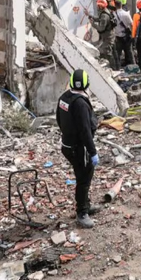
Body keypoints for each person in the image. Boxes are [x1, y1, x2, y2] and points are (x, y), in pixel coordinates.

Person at [56, 69, 99, 229]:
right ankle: (82, 212)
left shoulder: (64, 98)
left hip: (67, 145)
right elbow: (85, 131)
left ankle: (85, 204)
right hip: (79, 148)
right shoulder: (80, 103)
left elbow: (58, 119)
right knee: (84, 178)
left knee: (81, 175)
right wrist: (93, 152)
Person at [89, 0, 117, 69]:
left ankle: (114, 68)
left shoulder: (104, 16)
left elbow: (101, 28)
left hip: (108, 37)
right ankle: (115, 66)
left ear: (101, 6)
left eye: (98, 5)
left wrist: (93, 24)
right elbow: (99, 19)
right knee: (111, 52)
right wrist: (91, 16)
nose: (97, 7)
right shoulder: (105, 12)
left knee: (108, 52)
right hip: (109, 36)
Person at [113, 0, 134, 68]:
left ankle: (118, 67)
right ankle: (134, 66)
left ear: (115, 6)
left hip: (118, 36)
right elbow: (132, 24)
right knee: (130, 52)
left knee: (118, 53)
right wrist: (132, 34)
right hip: (127, 36)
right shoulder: (126, 14)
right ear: (121, 5)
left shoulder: (113, 14)